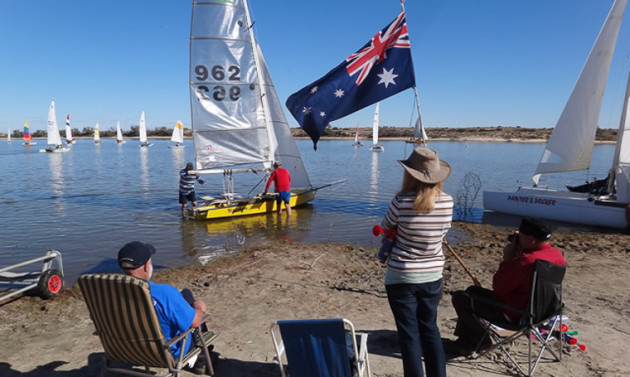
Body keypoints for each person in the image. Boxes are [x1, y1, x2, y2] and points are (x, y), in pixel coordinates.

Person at [445, 217, 567, 357]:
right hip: (544, 312)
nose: (518, 239)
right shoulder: (557, 256)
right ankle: (467, 340)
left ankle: (478, 341)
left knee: (460, 298)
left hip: (516, 316)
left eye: (520, 237)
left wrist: (508, 259)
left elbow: (499, 288)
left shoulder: (526, 261)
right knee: (472, 291)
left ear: (532, 240)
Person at [380, 146, 453, 377]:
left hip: (401, 274)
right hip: (432, 274)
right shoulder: (448, 201)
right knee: (430, 328)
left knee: (409, 333)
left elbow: (385, 227)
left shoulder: (401, 201)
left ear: (409, 174)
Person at [118, 241, 210, 373]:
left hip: (132, 351)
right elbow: (195, 321)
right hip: (168, 352)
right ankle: (201, 360)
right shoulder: (163, 293)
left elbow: (95, 318)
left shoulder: (112, 295)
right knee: (194, 311)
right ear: (146, 267)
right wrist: (199, 307)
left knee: (185, 294)